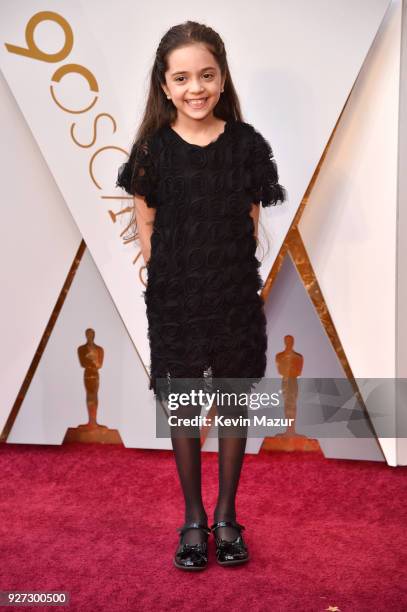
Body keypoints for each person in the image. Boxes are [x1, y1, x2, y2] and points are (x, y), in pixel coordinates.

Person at [116, 20, 287, 571]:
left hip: (234, 296)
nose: (197, 88)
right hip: (176, 300)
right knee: (185, 408)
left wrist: (232, 277)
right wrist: (163, 274)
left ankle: (227, 516)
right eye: (183, 77)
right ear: (164, 86)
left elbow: (249, 218)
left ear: (221, 79)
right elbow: (146, 220)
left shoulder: (246, 144)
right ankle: (193, 519)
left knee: (235, 402)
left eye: (207, 75)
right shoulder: (151, 151)